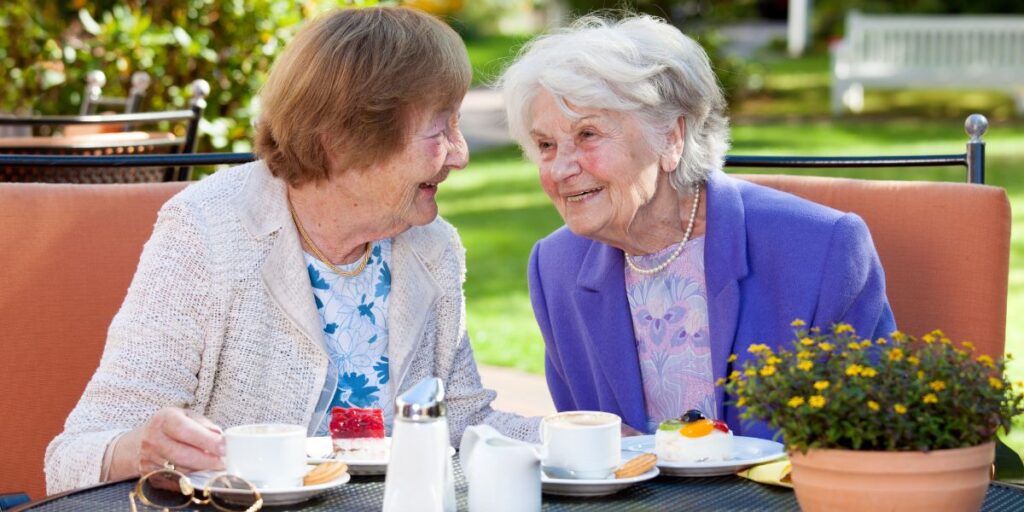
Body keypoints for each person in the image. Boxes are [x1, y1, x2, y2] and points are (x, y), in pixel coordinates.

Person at [45, 7, 537, 494]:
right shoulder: (207, 233)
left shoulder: (431, 246)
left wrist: (596, 444)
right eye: (440, 130)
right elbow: (74, 455)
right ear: (343, 142)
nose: (462, 154)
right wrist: (144, 449)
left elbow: (464, 423)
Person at [499, 14, 896, 439]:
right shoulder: (556, 267)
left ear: (672, 138)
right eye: (545, 145)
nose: (560, 168)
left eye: (588, 134)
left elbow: (871, 434)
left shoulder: (822, 249)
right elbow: (587, 443)